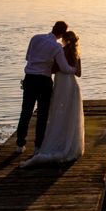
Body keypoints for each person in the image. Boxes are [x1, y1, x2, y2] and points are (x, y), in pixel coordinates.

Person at [20, 30, 84, 167]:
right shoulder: (77, 54)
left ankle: (42, 142)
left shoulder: (59, 51)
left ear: (64, 39)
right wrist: (71, 69)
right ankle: (69, 141)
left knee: (56, 113)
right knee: (71, 114)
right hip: (72, 85)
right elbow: (78, 73)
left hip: (60, 84)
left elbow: (54, 69)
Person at [16, 21, 75, 154]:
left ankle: (20, 145)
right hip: (43, 81)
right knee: (42, 114)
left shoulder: (35, 38)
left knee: (26, 112)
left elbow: (27, 57)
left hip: (29, 78)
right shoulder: (57, 47)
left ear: (53, 28)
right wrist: (74, 69)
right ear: (62, 33)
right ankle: (38, 146)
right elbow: (64, 68)